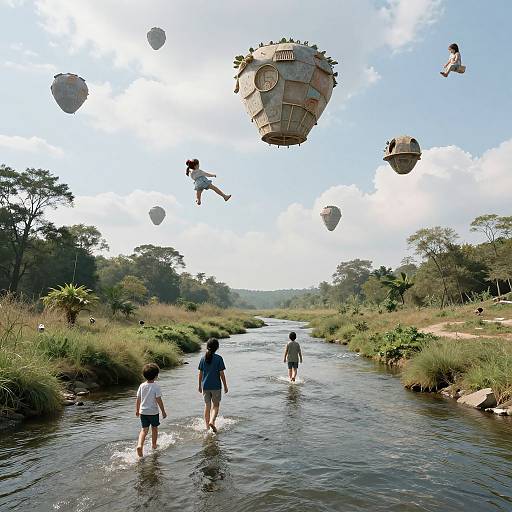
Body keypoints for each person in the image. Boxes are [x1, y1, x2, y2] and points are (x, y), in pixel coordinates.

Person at [135, 363, 167, 457]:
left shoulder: (142, 385)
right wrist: (163, 411)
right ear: (156, 375)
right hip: (153, 412)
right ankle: (154, 445)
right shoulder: (156, 386)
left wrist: (137, 410)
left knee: (144, 430)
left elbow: (138, 398)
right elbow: (158, 400)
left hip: (143, 412)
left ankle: (140, 445)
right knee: (154, 428)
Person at [198, 338, 228, 433]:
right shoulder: (219, 358)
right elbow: (221, 374)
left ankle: (207, 427)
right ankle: (212, 421)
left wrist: (199, 386)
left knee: (207, 406)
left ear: (207, 346)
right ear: (217, 347)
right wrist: (225, 386)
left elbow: (200, 373)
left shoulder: (203, 358)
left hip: (205, 386)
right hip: (216, 386)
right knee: (215, 406)